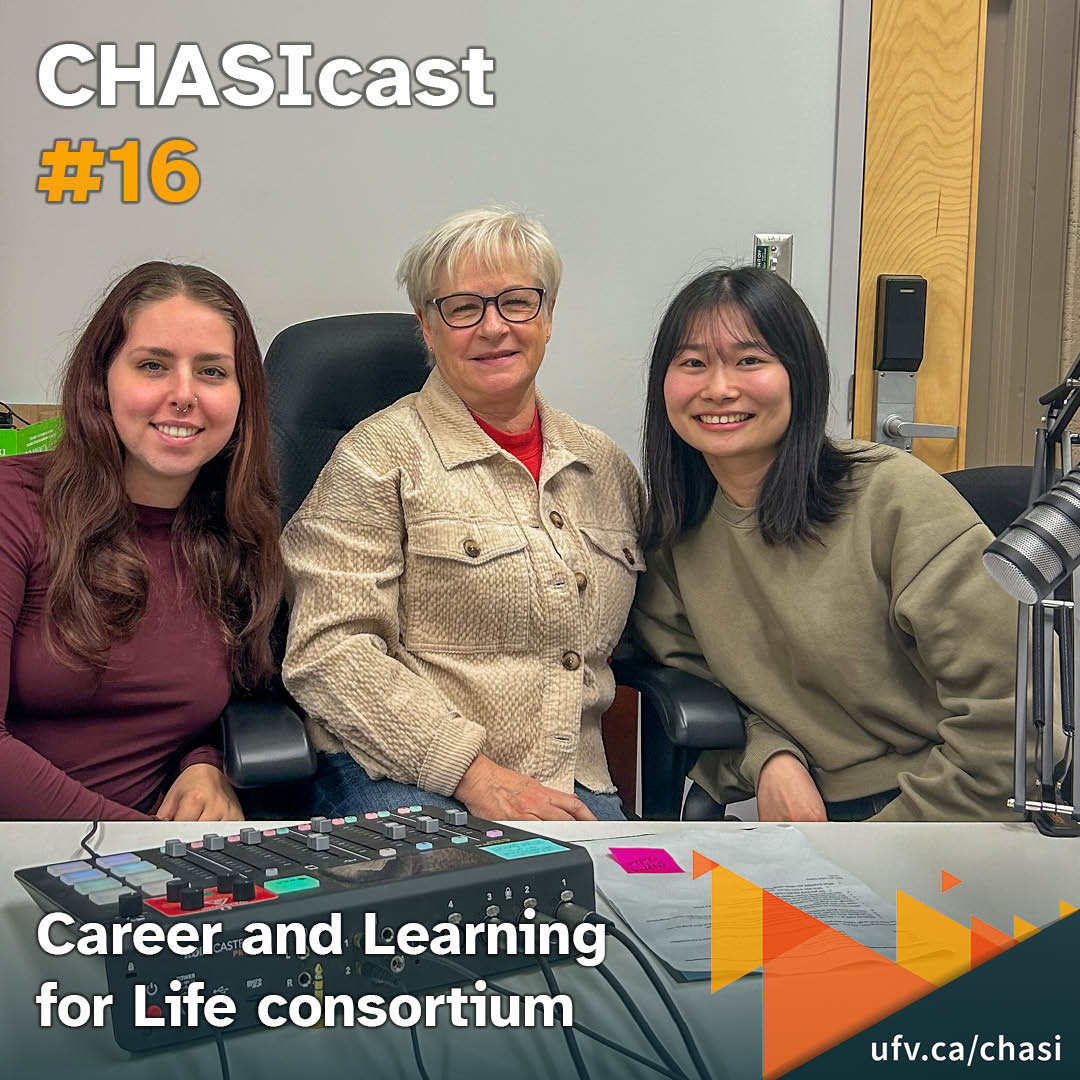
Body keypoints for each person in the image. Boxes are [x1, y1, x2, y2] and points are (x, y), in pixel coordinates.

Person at [282, 207, 643, 821]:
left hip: (572, 784)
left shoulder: (604, 467)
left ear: (549, 316)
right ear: (427, 327)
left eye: (517, 302)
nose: (493, 327)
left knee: (660, 912)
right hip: (406, 776)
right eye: (463, 308)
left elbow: (662, 636)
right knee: (482, 912)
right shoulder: (376, 459)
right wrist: (471, 772)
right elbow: (329, 650)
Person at [632, 266, 1017, 821]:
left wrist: (873, 850)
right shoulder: (675, 529)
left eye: (750, 360)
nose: (718, 388)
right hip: (799, 819)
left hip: (945, 808)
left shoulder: (894, 499)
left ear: (801, 375)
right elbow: (700, 688)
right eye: (693, 363)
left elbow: (1011, 722)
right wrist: (767, 758)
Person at [0, 262, 284, 820]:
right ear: (101, 380)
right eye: (153, 365)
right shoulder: (14, 505)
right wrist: (138, 847)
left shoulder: (238, 533)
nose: (184, 395)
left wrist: (204, 764)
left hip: (143, 868)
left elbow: (228, 703)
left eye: (211, 372)